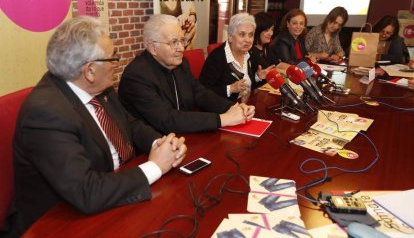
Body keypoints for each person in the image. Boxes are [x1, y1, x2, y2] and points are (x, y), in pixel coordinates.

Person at [6, 16, 187, 236]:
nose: (116, 64)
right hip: (58, 222)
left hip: (113, 191)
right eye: (112, 59)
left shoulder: (99, 88)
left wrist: (160, 144)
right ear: (90, 70)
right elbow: (86, 191)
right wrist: (156, 166)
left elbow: (129, 124)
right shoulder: (45, 114)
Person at [118, 14, 255, 134]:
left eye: (182, 40)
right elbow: (167, 119)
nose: (181, 48)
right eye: (173, 42)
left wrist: (233, 108)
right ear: (152, 47)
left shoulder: (181, 63)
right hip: (153, 149)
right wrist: (222, 119)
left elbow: (200, 93)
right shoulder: (136, 76)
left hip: (185, 135)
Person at [199, 13, 275, 102]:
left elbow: (247, 87)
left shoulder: (249, 54)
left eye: (250, 35)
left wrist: (258, 77)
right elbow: (202, 93)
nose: (248, 40)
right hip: (224, 112)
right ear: (230, 36)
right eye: (242, 34)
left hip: (245, 107)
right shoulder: (217, 57)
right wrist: (230, 88)